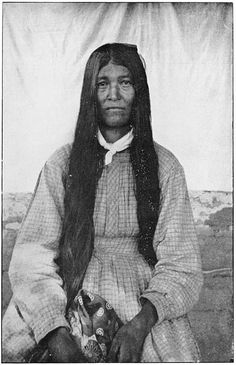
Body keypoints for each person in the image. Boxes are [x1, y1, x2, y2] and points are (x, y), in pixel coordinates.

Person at [3, 43, 203, 362]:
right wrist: (58, 335)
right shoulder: (61, 164)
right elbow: (32, 256)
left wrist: (139, 326)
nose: (113, 94)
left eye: (125, 82)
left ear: (139, 91)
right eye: (102, 83)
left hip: (139, 297)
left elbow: (182, 264)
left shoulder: (166, 168)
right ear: (90, 94)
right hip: (68, 285)